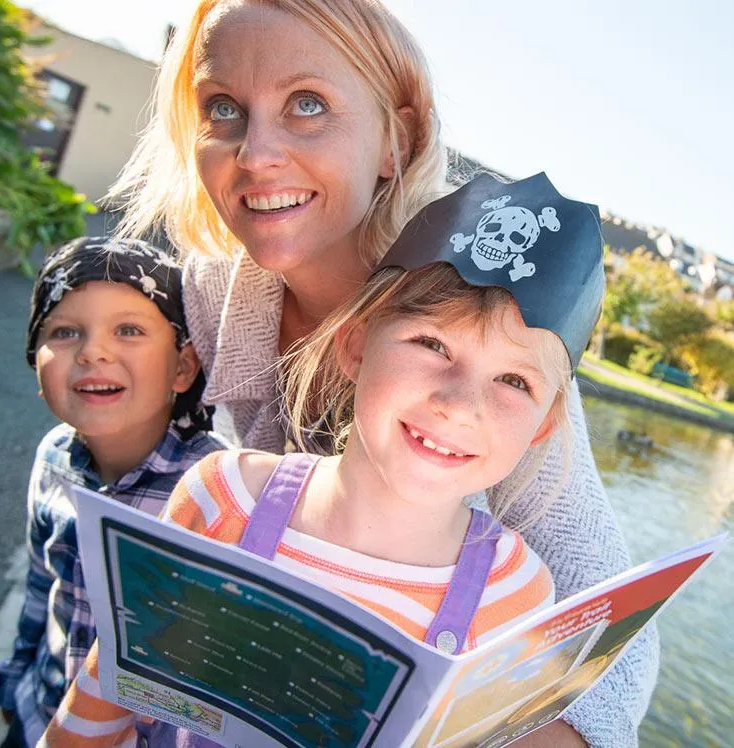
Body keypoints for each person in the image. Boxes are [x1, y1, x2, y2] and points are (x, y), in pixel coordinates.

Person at [107, 2, 660, 744]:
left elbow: (614, 637)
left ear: (394, 141)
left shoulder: (494, 327)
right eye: (224, 108)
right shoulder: (216, 289)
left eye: (307, 105)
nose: (254, 152)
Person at [43, 172, 604, 746]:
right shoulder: (224, 499)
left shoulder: (516, 595)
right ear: (355, 344)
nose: (461, 406)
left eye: (514, 380)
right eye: (432, 345)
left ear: (545, 425)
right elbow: (102, 705)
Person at [0, 237, 228, 747]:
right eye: (65, 331)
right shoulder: (53, 457)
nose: (94, 350)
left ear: (183, 367)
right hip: (41, 716)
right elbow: (41, 583)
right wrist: (13, 685)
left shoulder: (219, 491)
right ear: (36, 361)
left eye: (129, 329)